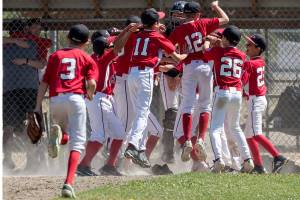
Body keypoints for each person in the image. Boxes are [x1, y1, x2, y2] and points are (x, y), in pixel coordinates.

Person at [114, 8, 186, 168]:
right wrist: (193, 54)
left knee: (141, 113)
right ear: (155, 24)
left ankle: (139, 150)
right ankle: (133, 146)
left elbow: (120, 47)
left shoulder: (138, 35)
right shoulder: (157, 36)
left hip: (132, 75)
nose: (160, 24)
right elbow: (177, 58)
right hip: (145, 75)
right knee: (142, 113)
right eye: (158, 21)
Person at [33, 24, 98, 198]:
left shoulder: (55, 56)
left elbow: (44, 84)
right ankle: (68, 183)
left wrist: (38, 107)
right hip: (76, 99)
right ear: (86, 42)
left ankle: (60, 135)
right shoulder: (86, 58)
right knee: (77, 144)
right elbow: (91, 84)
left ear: (68, 38)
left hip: (56, 99)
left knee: (64, 130)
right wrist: (90, 95)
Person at [168, 0, 229, 162]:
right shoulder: (203, 23)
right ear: (197, 14)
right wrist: (215, 6)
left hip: (188, 67)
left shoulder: (179, 29)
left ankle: (187, 139)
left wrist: (179, 55)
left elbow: (169, 48)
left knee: (187, 104)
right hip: (204, 66)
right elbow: (225, 19)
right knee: (205, 105)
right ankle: (201, 138)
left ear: (184, 14)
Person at [203, 25, 254, 173]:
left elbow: (206, 53)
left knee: (215, 128)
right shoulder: (242, 55)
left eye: (222, 37)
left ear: (225, 38)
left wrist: (207, 40)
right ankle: (247, 159)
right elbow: (230, 54)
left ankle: (219, 159)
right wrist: (220, 42)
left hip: (222, 93)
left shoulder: (218, 51)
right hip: (237, 94)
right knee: (235, 127)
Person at [3, 19, 46, 171]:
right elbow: (42, 63)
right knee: (30, 124)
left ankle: (8, 159)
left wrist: (24, 60)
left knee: (9, 127)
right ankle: (31, 160)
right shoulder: (35, 43)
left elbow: (42, 63)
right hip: (29, 89)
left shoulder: (6, 44)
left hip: (10, 89)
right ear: (26, 29)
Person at [243, 34, 288, 173]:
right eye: (247, 44)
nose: (247, 47)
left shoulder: (251, 63)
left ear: (258, 48)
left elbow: (243, 79)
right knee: (249, 135)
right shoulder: (259, 61)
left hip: (256, 101)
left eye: (250, 44)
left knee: (255, 134)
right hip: (256, 99)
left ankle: (278, 157)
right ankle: (258, 166)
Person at [159, 0, 187, 164]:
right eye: (175, 14)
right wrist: (172, 73)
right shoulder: (167, 31)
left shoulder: (190, 30)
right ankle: (167, 152)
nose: (178, 17)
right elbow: (162, 55)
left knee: (188, 112)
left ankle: (186, 147)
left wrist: (178, 70)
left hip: (185, 73)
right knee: (172, 113)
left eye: (181, 14)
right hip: (168, 70)